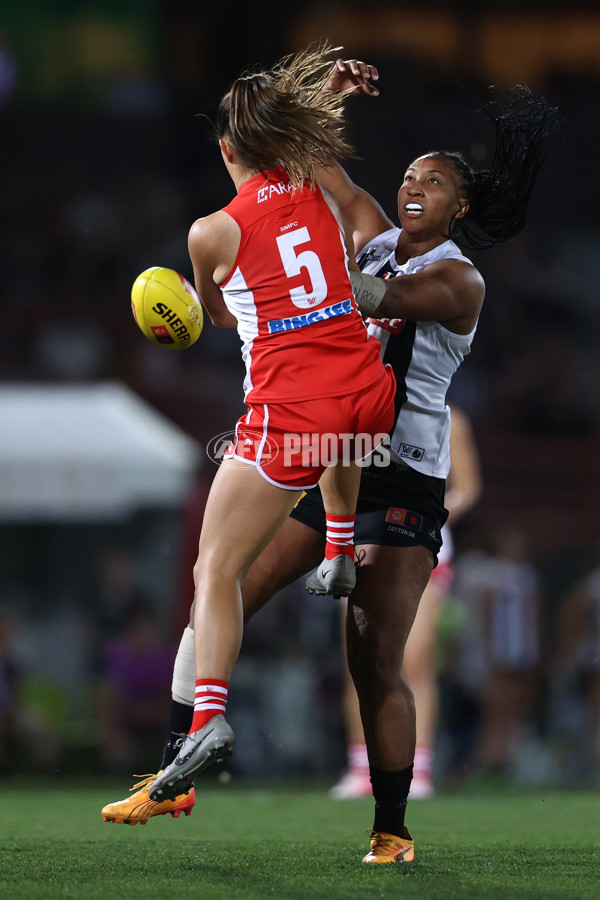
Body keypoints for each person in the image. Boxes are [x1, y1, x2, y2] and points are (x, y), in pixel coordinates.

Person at [102, 56, 560, 864]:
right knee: (227, 586)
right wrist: (316, 100)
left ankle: (392, 827)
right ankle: (176, 765)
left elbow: (364, 296)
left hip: (405, 472)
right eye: (411, 174)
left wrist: (276, 279)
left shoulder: (459, 279)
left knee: (372, 653)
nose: (415, 186)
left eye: (437, 182)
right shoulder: (372, 231)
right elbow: (314, 168)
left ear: (462, 206)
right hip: (331, 449)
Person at [330, 404, 481, 800]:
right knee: (357, 659)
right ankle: (360, 765)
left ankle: (420, 768)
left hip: (421, 542)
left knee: (416, 659)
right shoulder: (365, 408)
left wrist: (427, 513)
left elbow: (467, 487)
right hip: (362, 537)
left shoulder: (452, 418)